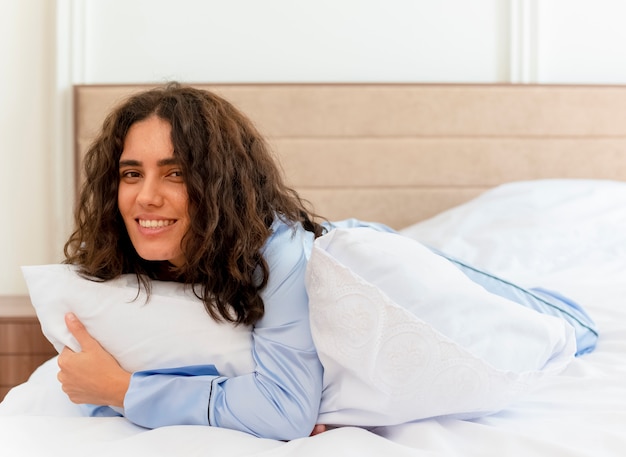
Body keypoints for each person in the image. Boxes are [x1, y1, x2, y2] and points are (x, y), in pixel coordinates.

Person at [58, 83, 598, 441]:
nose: (145, 197)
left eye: (175, 174)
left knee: (573, 326)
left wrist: (125, 391)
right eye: (132, 173)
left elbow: (282, 412)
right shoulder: (125, 254)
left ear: (218, 184)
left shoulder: (278, 259)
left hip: (374, 256)